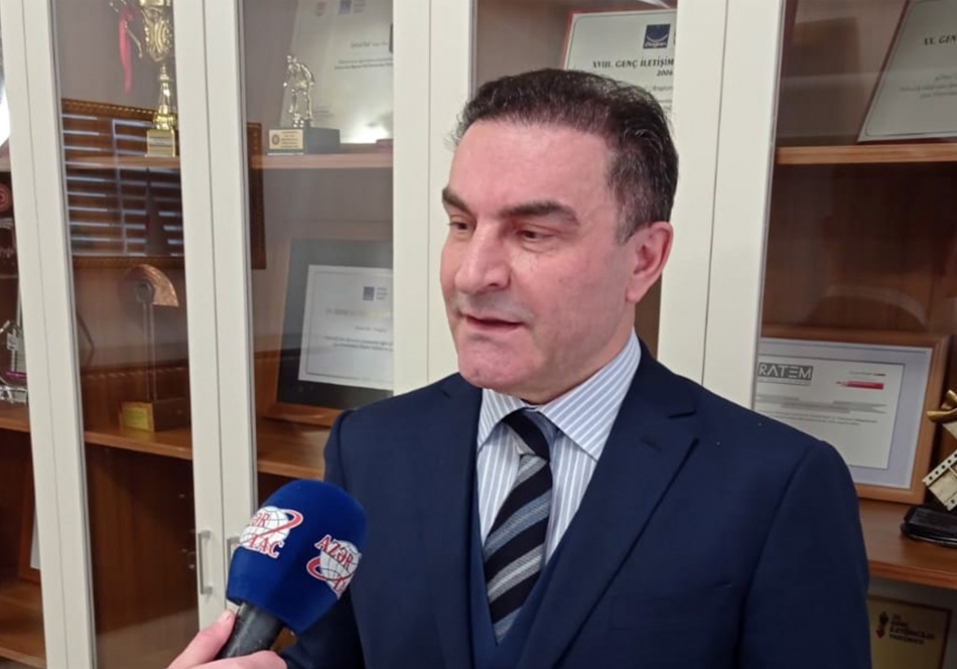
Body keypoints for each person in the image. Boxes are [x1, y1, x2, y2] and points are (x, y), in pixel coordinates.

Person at [173, 68, 871, 669]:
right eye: (461, 224)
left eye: (532, 233)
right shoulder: (372, 446)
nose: (472, 274)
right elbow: (335, 658)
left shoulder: (778, 487)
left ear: (643, 259)